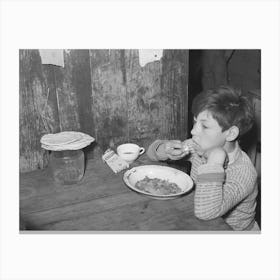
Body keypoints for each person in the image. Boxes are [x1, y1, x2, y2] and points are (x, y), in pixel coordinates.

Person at [147, 86, 259, 231]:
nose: (193, 131)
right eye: (195, 122)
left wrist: (214, 162)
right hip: (197, 219)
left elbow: (206, 212)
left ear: (230, 134)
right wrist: (165, 149)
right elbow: (151, 152)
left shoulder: (243, 173)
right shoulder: (199, 146)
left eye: (204, 126)